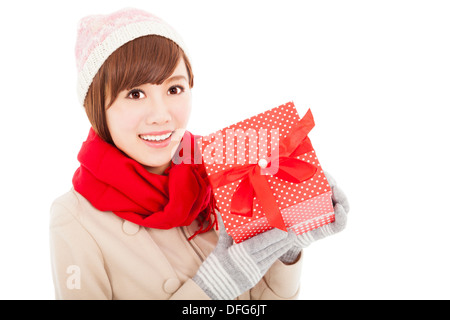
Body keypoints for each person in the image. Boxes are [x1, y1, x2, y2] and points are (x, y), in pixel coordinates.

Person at [49, 7, 349, 300]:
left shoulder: (224, 175)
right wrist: (211, 288)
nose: (161, 115)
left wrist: (285, 250)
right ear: (96, 109)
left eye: (174, 89)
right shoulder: (74, 219)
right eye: (135, 94)